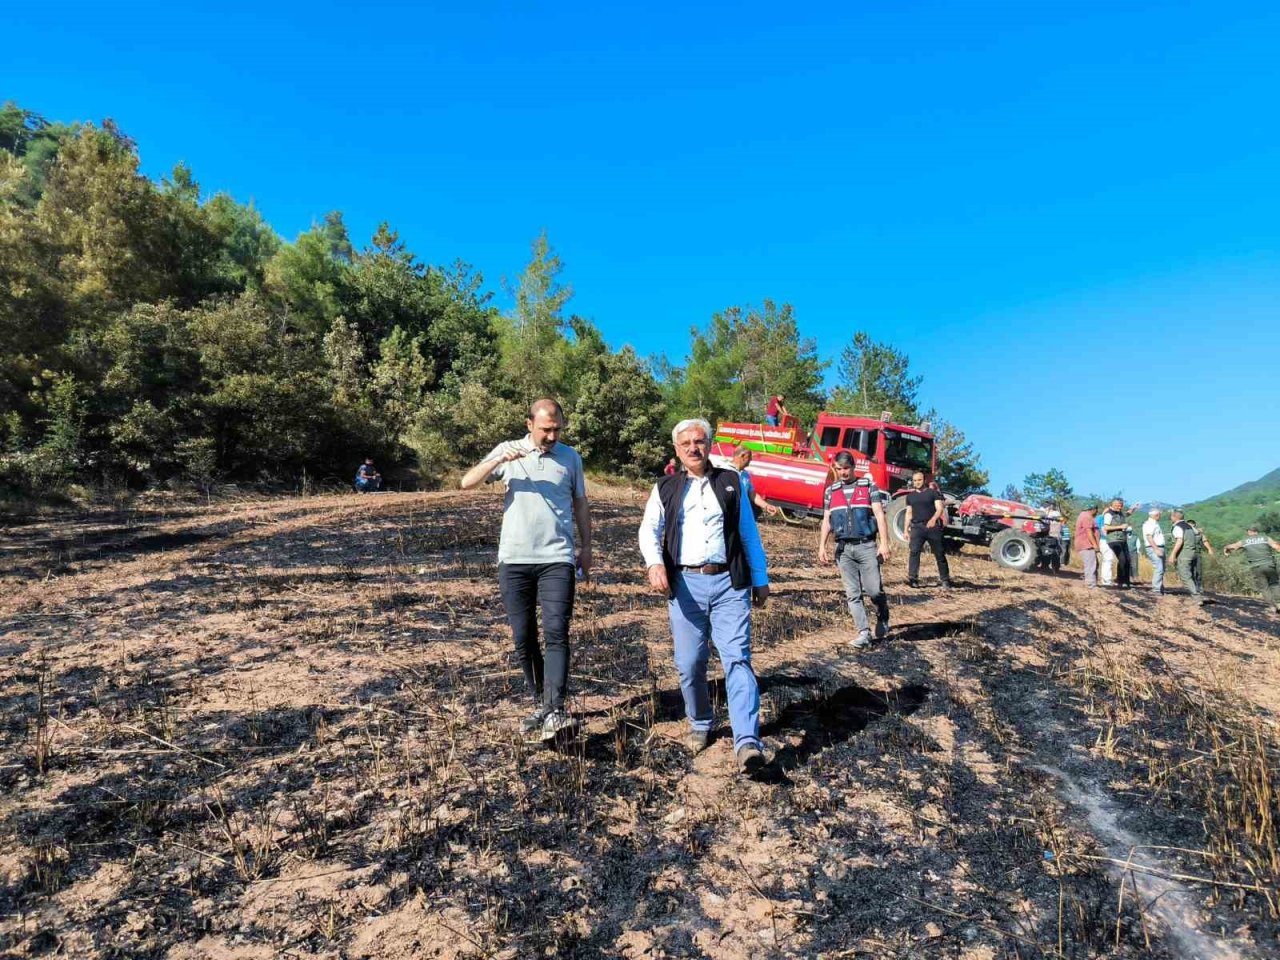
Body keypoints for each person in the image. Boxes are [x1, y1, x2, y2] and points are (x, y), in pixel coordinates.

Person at [638, 418, 770, 774]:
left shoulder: (730, 482)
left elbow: (748, 532)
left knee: (738, 658)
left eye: (699, 441)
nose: (694, 448)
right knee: (689, 663)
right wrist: (654, 565)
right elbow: (648, 530)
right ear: (677, 450)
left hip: (730, 582)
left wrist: (760, 578)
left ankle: (747, 742)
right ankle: (700, 722)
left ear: (709, 444)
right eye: (686, 444)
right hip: (684, 585)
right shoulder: (665, 487)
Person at [459, 399, 592, 740]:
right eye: (545, 429)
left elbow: (579, 502)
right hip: (514, 559)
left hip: (557, 558)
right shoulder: (508, 450)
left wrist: (587, 547)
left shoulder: (570, 457)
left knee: (557, 632)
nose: (551, 435)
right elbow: (466, 483)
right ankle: (542, 703)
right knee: (523, 637)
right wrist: (498, 460)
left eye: (556, 429)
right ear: (529, 423)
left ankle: (556, 709)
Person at [818, 452, 892, 649]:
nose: (843, 472)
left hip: (866, 546)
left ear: (853, 467)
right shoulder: (830, 491)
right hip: (843, 550)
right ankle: (864, 632)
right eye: (839, 469)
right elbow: (826, 520)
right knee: (853, 593)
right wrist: (822, 546)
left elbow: (879, 514)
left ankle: (883, 613)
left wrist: (884, 543)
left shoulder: (868, 486)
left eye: (846, 468)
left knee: (874, 590)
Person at [903, 470, 950, 589]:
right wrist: (905, 530)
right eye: (914, 480)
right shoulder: (910, 496)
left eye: (919, 480)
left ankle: (945, 579)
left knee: (939, 553)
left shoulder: (933, 493)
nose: (917, 482)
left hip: (932, 527)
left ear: (924, 480)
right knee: (914, 552)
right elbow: (909, 513)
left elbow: (939, 509)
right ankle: (913, 579)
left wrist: (933, 519)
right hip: (917, 527)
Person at [1224, 526, 1280, 613]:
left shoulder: (1245, 541)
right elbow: (1277, 547)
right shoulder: (1266, 538)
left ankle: (1272, 607)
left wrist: (1226, 548)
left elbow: (1233, 546)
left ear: (1249, 532)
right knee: (1274, 584)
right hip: (1269, 565)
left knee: (1264, 587)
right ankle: (1279, 603)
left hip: (1256, 567)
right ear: (1257, 532)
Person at [1168, 509, 1206, 604]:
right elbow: (1198, 534)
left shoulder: (1177, 527)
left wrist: (1172, 555)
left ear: (1174, 517)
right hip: (1194, 553)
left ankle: (1196, 598)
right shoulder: (1189, 526)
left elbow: (1179, 541)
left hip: (1185, 553)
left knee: (1185, 575)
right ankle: (1199, 594)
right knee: (1193, 575)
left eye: (1171, 516)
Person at [730, 446, 781, 518]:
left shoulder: (745, 475)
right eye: (749, 458)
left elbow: (752, 495)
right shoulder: (724, 471)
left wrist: (766, 506)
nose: (750, 461)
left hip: (740, 514)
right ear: (742, 456)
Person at [1101, 499, 1136, 589]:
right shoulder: (1109, 514)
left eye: (1121, 505)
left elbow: (1127, 514)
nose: (1120, 507)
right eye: (1118, 505)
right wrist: (1120, 527)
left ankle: (1126, 582)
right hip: (1113, 539)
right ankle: (1120, 582)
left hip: (1122, 539)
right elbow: (1106, 527)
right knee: (1122, 559)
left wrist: (1133, 508)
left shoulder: (1120, 513)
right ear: (1113, 504)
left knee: (1128, 560)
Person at [1075, 504, 1101, 587]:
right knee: (1091, 565)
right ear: (1093, 509)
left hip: (1085, 544)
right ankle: (1090, 584)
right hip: (1087, 544)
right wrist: (1095, 544)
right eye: (1096, 510)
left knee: (1093, 564)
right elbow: (1089, 532)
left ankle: (1092, 583)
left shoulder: (1083, 515)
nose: (1097, 512)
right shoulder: (1087, 517)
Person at [1141, 509, 1166, 594]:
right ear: (1156, 515)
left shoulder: (1155, 523)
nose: (1160, 516)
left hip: (1158, 547)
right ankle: (1156, 590)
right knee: (1159, 568)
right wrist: (1156, 549)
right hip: (1154, 547)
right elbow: (1149, 537)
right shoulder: (1149, 524)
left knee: (1161, 568)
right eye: (1159, 515)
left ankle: (1160, 588)